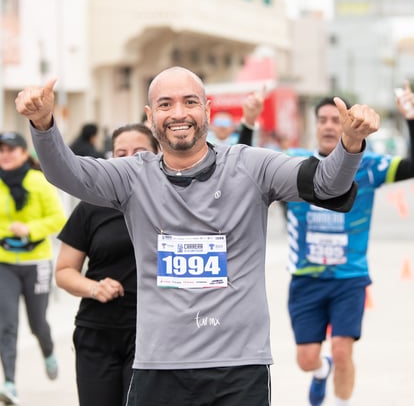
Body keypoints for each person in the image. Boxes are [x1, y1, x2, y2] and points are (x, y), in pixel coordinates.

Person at [15, 66, 379, 406]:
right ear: (149, 116)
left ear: (206, 109)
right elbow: (68, 174)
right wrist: (43, 123)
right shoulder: (131, 177)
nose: (178, 113)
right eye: (165, 104)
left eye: (190, 102)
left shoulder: (251, 166)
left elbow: (325, 183)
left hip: (239, 366)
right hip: (159, 365)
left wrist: (349, 145)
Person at [282, 83, 414, 406]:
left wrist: (410, 118)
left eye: (336, 119)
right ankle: (319, 371)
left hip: (349, 278)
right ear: (314, 126)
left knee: (342, 350)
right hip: (306, 278)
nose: (330, 125)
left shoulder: (368, 166)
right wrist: (248, 125)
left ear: (349, 124)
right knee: (306, 358)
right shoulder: (294, 162)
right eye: (323, 119)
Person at [55, 123, 159, 406]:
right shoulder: (92, 205)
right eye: (120, 152)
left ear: (158, 155)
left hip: (153, 335)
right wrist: (93, 287)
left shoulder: (172, 205)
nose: (128, 158)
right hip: (97, 334)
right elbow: (64, 271)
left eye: (139, 152)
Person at [0, 132, 66, 405]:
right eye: (1, 150)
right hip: (4, 263)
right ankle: (10, 384)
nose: (5, 155)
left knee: (38, 323)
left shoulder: (38, 181)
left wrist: (29, 230)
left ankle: (47, 351)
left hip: (36, 262)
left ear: (25, 153)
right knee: (7, 324)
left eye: (11, 150)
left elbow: (58, 218)